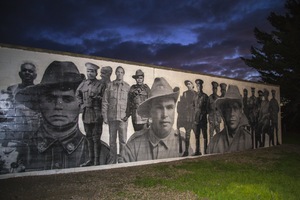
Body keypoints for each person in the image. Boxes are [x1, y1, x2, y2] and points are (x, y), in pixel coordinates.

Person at [15, 61, 113, 171]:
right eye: (50, 99)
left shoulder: (103, 154)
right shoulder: (20, 152)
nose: (58, 106)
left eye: (67, 99)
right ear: (39, 103)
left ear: (81, 105)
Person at [121, 77, 187, 162]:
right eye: (159, 108)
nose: (165, 115)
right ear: (150, 112)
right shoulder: (134, 146)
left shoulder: (184, 143)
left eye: (169, 107)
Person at [76, 62, 106, 166]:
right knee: (88, 137)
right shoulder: (83, 84)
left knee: (96, 138)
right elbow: (77, 95)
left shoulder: (100, 84)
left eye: (92, 71)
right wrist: (81, 104)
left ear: (96, 73)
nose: (90, 73)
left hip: (96, 114)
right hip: (86, 114)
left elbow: (106, 100)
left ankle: (97, 162)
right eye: (88, 71)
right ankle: (90, 160)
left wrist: (97, 98)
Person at [208, 85, 252, 154]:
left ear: (240, 113)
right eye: (228, 109)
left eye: (235, 108)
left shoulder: (249, 139)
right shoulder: (214, 142)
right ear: (224, 113)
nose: (232, 113)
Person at [102, 66, 130, 163]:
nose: (119, 74)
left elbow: (130, 104)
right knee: (112, 141)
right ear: (115, 73)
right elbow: (105, 102)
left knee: (123, 141)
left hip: (123, 118)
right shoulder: (110, 86)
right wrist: (105, 117)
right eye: (118, 72)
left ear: (123, 74)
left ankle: (122, 159)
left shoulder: (127, 87)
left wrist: (127, 115)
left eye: (121, 72)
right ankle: (113, 159)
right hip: (112, 118)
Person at [177, 80, 197, 156]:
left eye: (189, 84)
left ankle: (197, 150)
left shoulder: (196, 94)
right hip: (187, 118)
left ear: (192, 85)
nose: (188, 85)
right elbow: (181, 106)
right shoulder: (185, 94)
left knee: (196, 135)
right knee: (187, 135)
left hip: (194, 118)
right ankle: (186, 151)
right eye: (187, 84)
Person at [193, 79, 208, 155]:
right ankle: (197, 151)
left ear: (202, 86)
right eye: (197, 85)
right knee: (197, 135)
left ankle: (205, 151)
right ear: (196, 86)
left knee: (204, 135)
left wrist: (203, 113)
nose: (199, 87)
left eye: (200, 85)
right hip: (196, 119)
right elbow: (193, 106)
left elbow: (208, 108)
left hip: (203, 119)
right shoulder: (195, 96)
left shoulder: (205, 96)